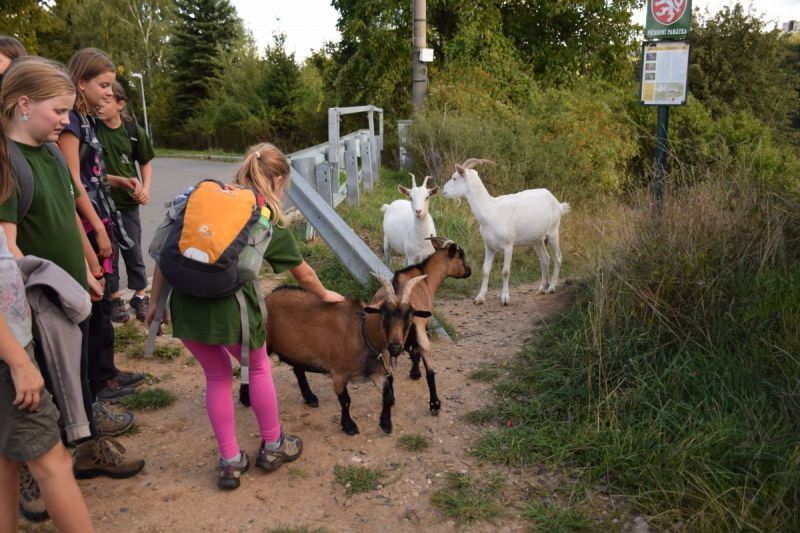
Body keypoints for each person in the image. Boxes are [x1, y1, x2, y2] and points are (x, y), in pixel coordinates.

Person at [146, 143, 345, 490]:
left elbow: (166, 250)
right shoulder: (264, 215)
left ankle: (230, 460)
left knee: (217, 375)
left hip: (186, 309)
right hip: (232, 311)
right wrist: (326, 294)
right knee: (257, 367)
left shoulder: (204, 199)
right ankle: (273, 444)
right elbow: (303, 274)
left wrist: (154, 302)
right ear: (279, 179)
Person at [0, 57, 144, 520]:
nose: (67, 121)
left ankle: (76, 451)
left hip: (66, 299)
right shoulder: (10, 164)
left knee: (75, 380)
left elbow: (68, 212)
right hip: (35, 312)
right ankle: (41, 467)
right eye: (59, 111)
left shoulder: (49, 154)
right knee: (45, 397)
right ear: (23, 104)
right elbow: (8, 252)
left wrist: (85, 265)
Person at [0, 217, 94, 533]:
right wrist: (19, 362)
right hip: (8, 353)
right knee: (53, 464)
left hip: (10, 346)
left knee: (6, 463)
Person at [61, 48, 145, 402]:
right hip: (87, 221)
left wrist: (119, 181)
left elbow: (91, 175)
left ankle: (107, 372)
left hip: (101, 213)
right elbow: (71, 180)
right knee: (96, 302)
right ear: (81, 84)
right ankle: (98, 381)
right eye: (104, 85)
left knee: (104, 296)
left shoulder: (87, 120)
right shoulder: (69, 122)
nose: (110, 93)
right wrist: (95, 226)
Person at [96, 81, 154, 323]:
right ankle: (115, 298)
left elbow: (145, 161)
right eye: (97, 101)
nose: (99, 105)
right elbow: (88, 172)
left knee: (134, 251)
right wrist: (119, 181)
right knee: (109, 253)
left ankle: (140, 297)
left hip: (128, 206)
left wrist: (145, 188)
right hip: (101, 204)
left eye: (106, 101)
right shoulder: (91, 129)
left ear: (120, 104)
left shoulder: (132, 131)